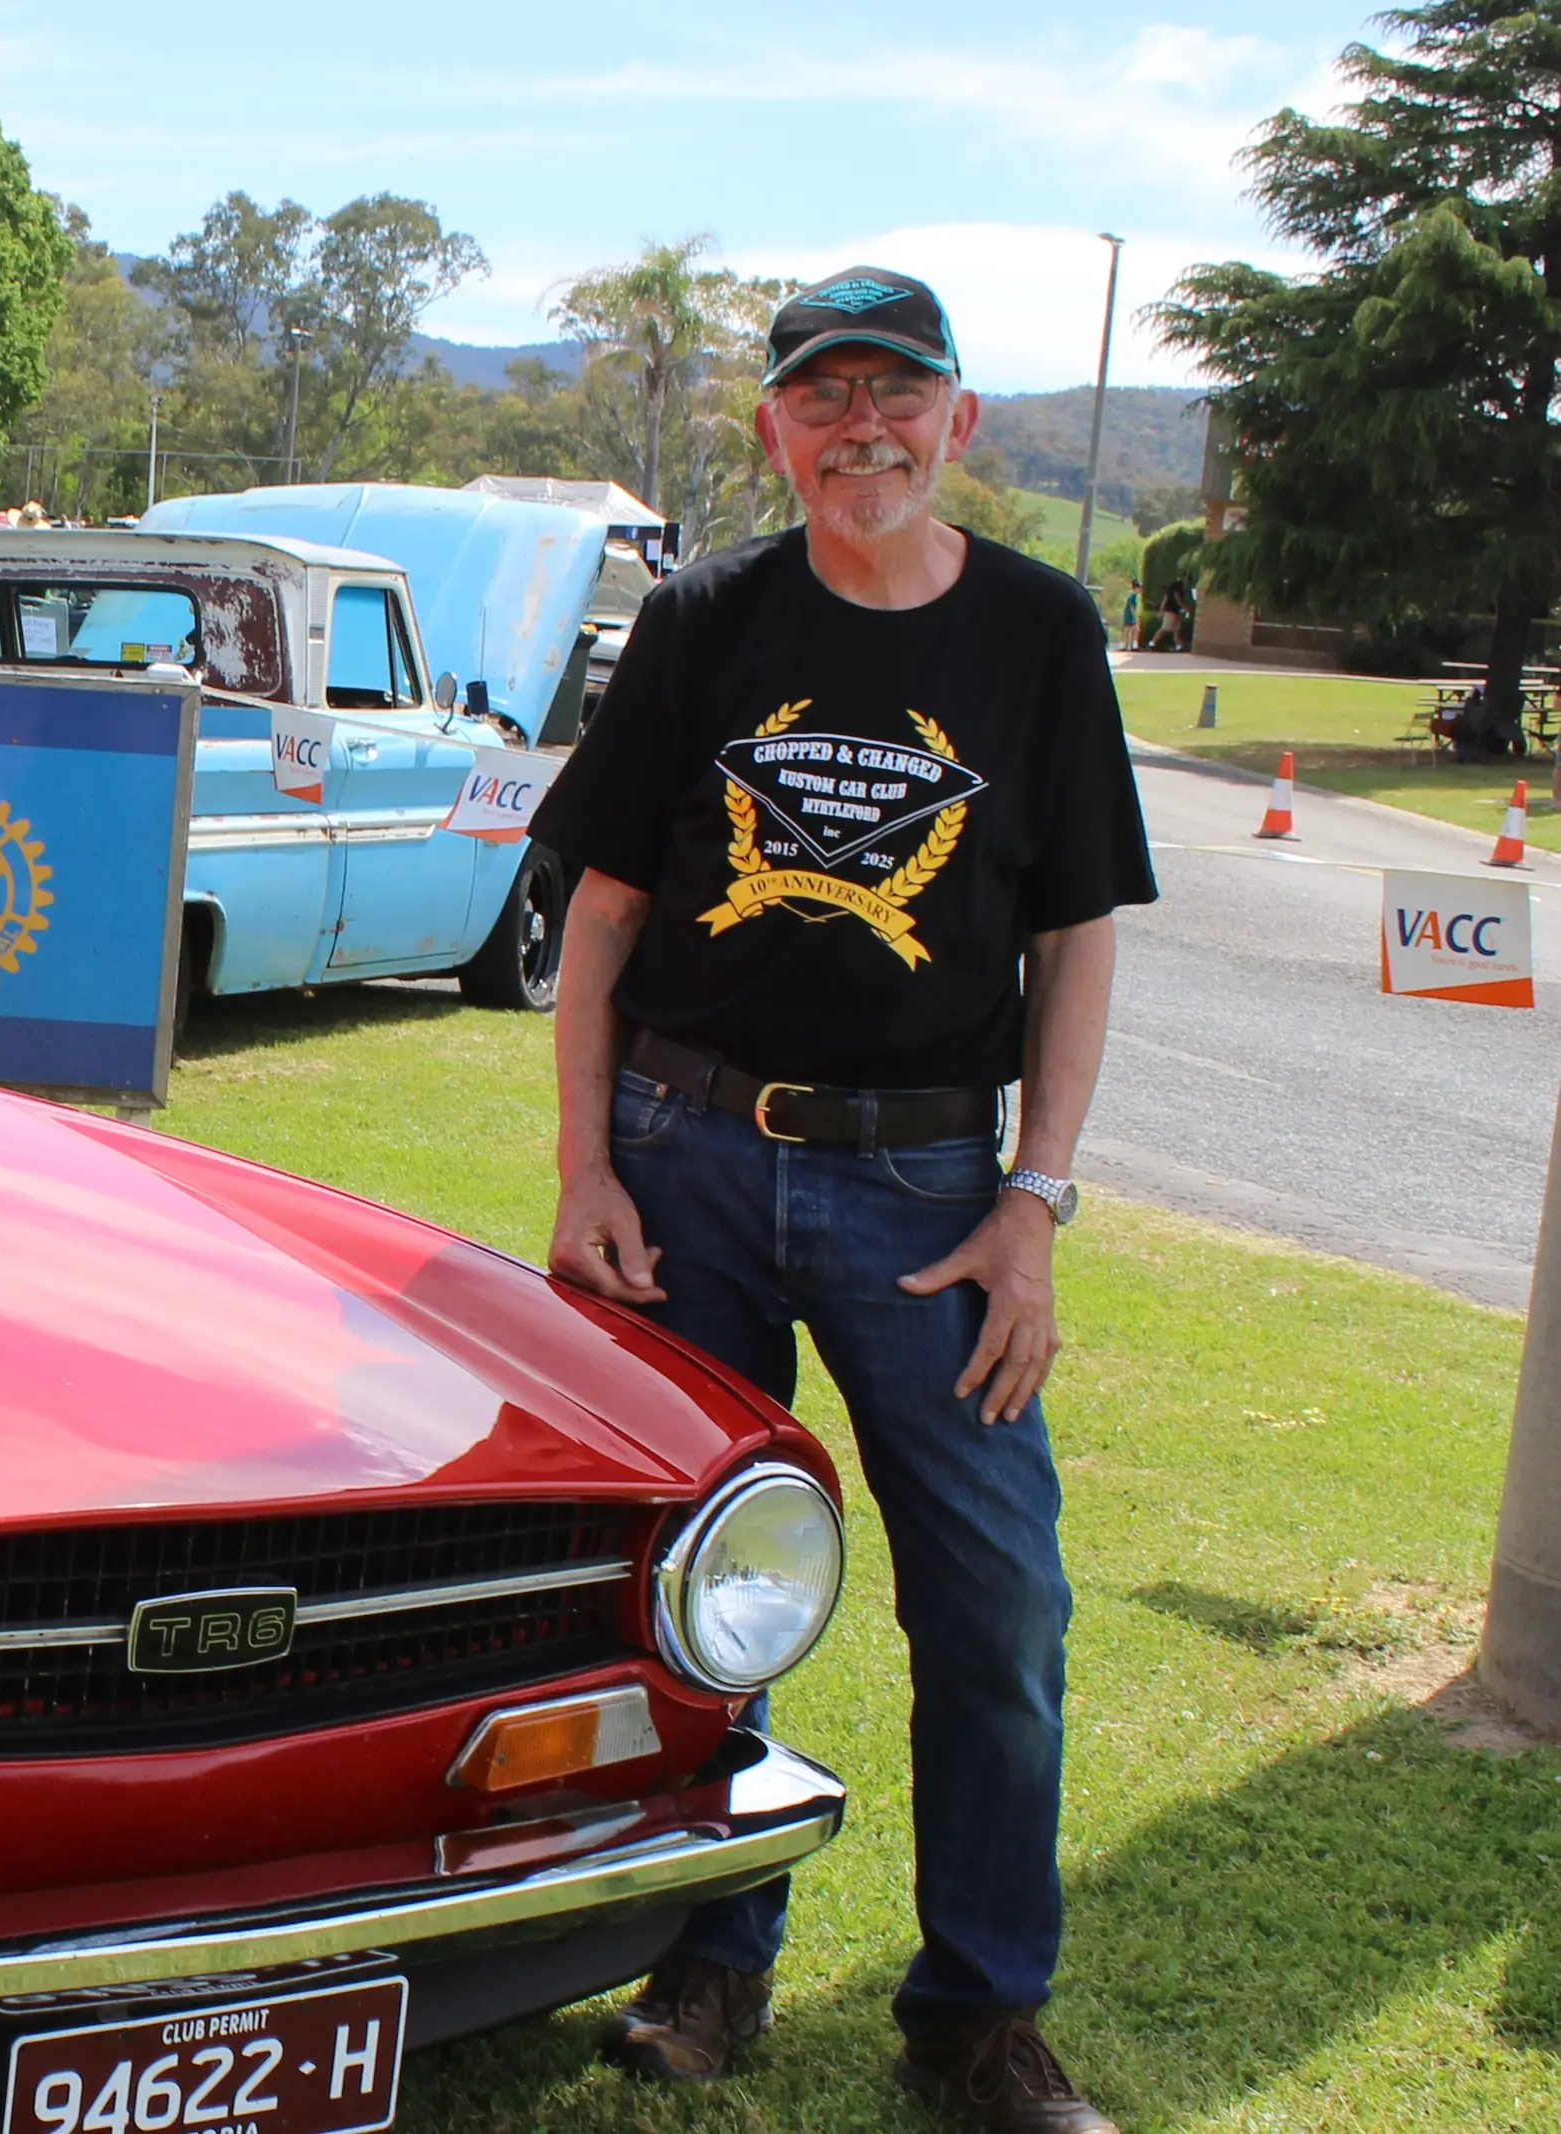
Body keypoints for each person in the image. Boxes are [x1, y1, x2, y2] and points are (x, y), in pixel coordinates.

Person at [527, 268, 1149, 2134]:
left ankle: (975, 2008)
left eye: (897, 395)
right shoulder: (707, 615)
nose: (858, 427)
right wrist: (580, 1166)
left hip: (928, 1191)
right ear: (771, 429)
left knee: (994, 1595)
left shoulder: (1038, 633)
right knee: (686, 1581)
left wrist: (1034, 1195)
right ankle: (709, 1956)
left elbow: (1075, 935)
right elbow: (604, 916)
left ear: (957, 423)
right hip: (684, 1160)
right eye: (822, 396)